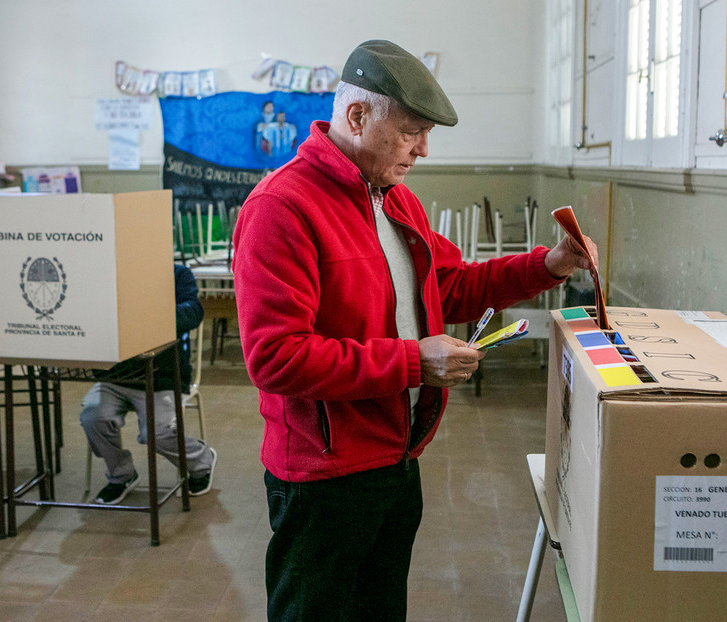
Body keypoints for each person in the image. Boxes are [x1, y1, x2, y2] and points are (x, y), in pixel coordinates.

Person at [232, 40, 598, 620]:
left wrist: (545, 265)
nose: (423, 150)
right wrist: (412, 362)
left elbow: (450, 287)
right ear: (357, 117)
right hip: (324, 478)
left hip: (396, 458)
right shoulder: (282, 208)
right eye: (410, 132)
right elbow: (276, 358)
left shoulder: (397, 202)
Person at [81, 263, 218, 504]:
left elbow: (193, 312)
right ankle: (121, 475)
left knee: (157, 432)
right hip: (115, 375)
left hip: (161, 376)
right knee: (93, 416)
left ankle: (201, 461)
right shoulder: (111, 273)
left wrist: (149, 312)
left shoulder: (177, 273)